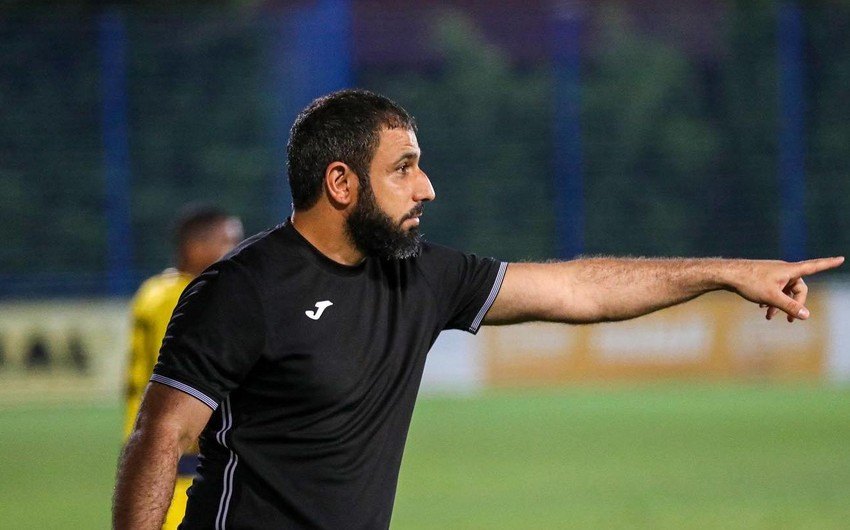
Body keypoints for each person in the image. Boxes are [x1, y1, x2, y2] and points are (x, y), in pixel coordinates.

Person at [113, 89, 844, 530]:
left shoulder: (421, 276)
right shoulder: (241, 289)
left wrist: (725, 273)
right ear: (340, 182)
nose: (426, 187)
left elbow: (580, 289)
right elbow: (159, 437)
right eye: (403, 168)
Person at [123, 203, 243, 530]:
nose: (238, 249)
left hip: (159, 459)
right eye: (228, 240)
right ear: (196, 247)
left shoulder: (154, 290)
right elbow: (182, 385)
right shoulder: (182, 297)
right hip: (177, 470)